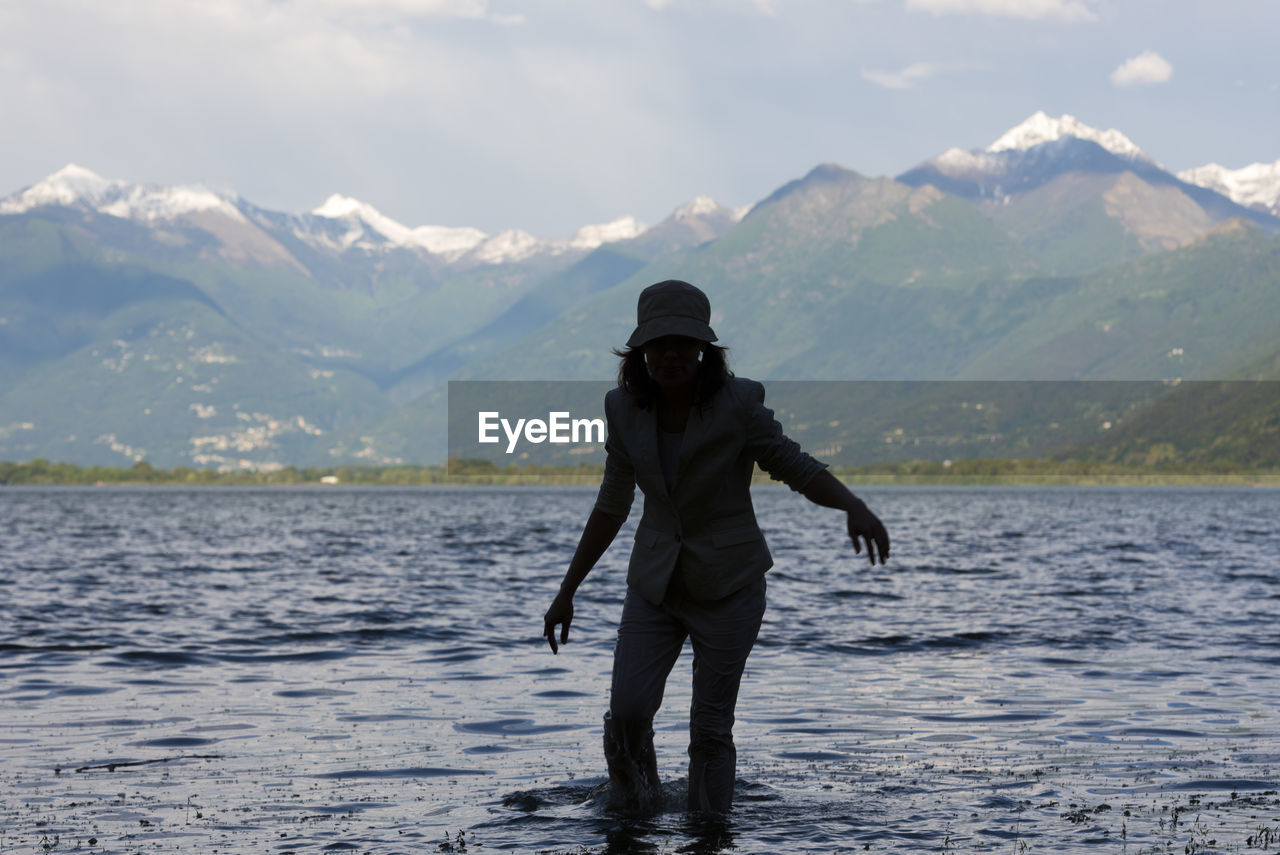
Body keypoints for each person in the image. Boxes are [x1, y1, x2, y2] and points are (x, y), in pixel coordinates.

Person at [542, 279, 890, 816]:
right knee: (628, 713)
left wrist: (854, 506)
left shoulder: (740, 403)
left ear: (705, 349)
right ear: (641, 352)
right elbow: (611, 504)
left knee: (709, 727)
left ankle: (708, 832)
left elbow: (794, 466)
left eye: (683, 343)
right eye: (658, 345)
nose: (671, 355)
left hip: (730, 586)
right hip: (655, 586)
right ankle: (635, 813)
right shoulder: (623, 408)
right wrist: (567, 591)